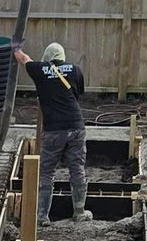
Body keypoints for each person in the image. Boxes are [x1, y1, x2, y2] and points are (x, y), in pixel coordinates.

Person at [13, 40, 91, 222]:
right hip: (76, 125)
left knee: (47, 171)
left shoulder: (39, 70)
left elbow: (23, 59)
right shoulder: (75, 70)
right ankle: (79, 212)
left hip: (53, 129)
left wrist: (16, 47)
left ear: (47, 58)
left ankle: (42, 216)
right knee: (77, 168)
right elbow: (77, 94)